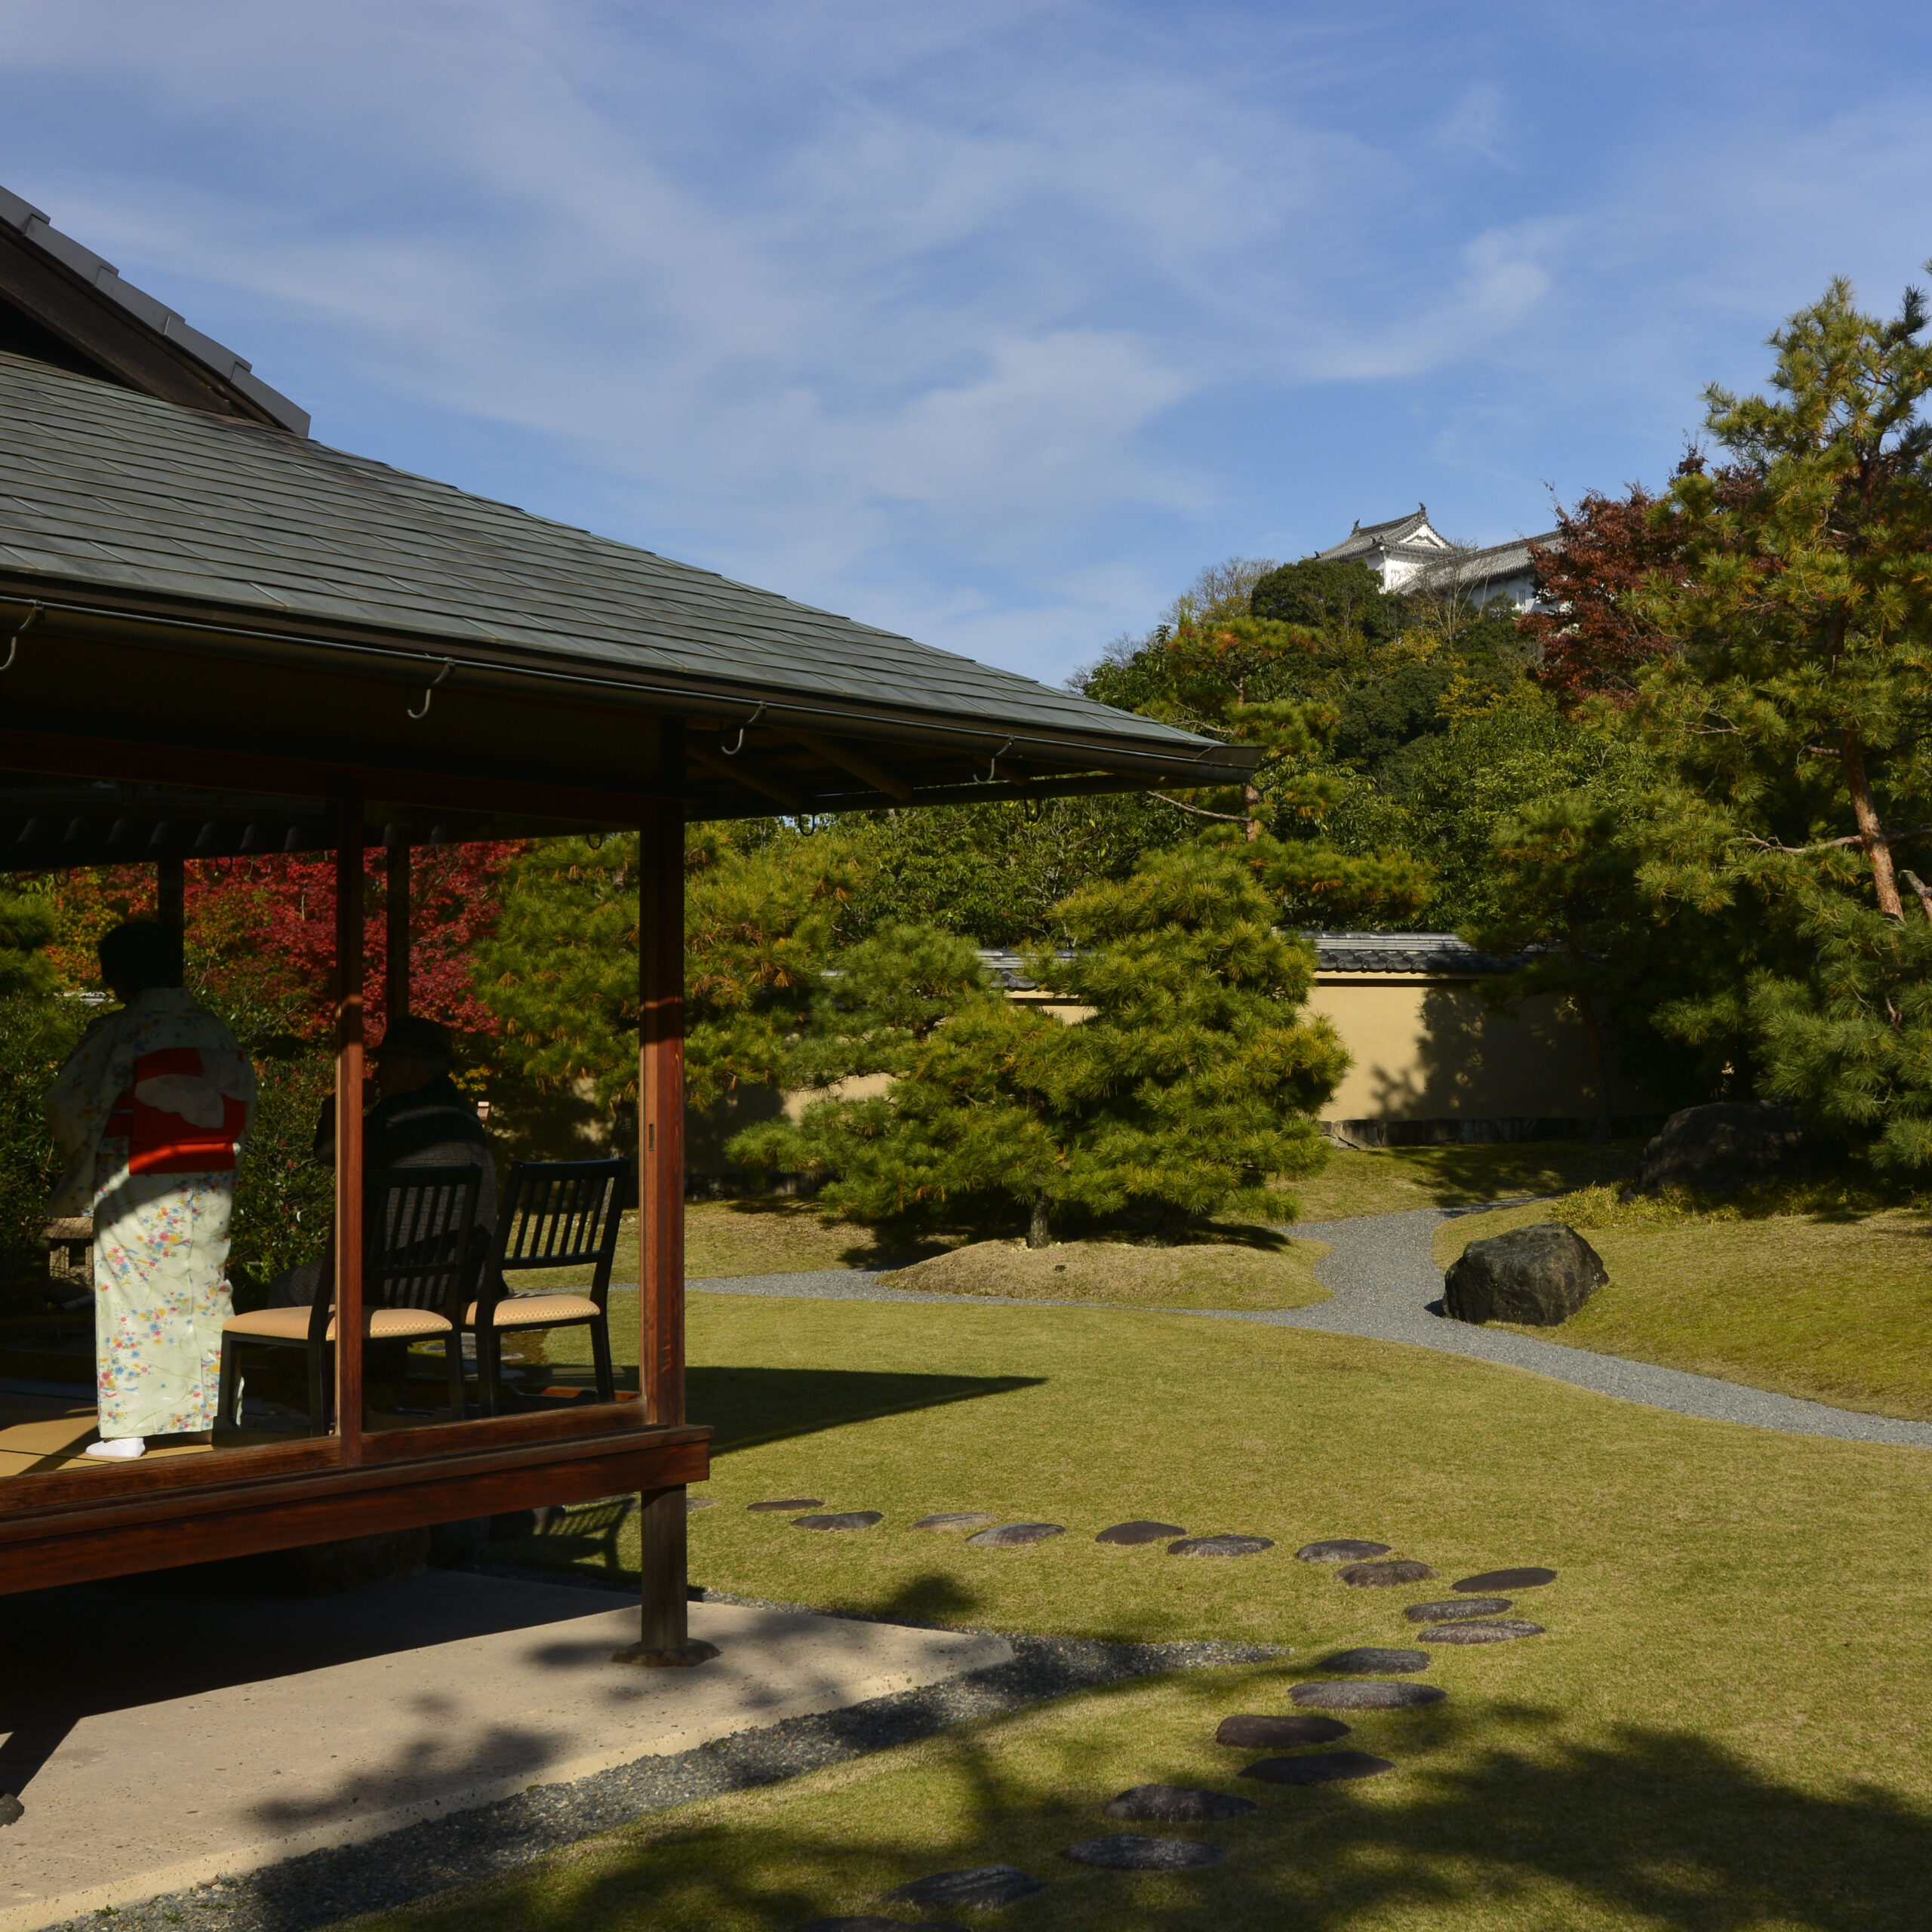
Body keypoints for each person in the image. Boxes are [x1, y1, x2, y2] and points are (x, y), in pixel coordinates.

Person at [47, 921, 257, 1461]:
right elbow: (242, 1105)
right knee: (206, 1290)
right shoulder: (214, 1029)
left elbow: (72, 1105)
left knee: (134, 1294)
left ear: (120, 974)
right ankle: (216, 1412)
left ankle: (131, 1427)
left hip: (139, 1170)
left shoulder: (123, 1029)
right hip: (209, 1175)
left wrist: (83, 1157)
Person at [269, 1014, 497, 1306]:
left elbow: (329, 1152)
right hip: (468, 1277)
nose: (377, 1073)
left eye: (384, 1063)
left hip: (397, 1281)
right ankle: (382, 1354)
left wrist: (340, 1105)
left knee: (287, 1285)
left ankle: (310, 1354)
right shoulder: (464, 1117)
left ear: (409, 1066)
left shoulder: (395, 1117)